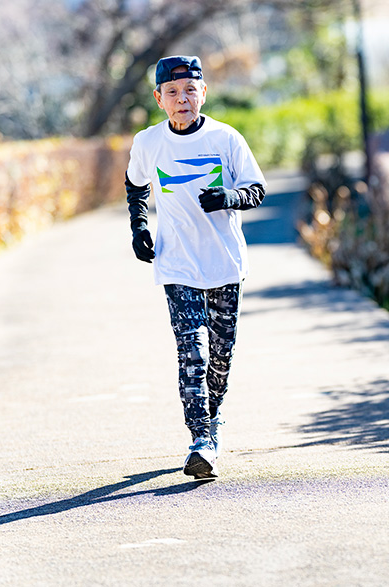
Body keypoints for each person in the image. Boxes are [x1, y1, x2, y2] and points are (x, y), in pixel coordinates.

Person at [125, 55, 266, 479]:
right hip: (177, 264)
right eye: (173, 92)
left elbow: (256, 189)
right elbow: (134, 184)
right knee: (192, 352)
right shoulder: (149, 143)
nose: (182, 99)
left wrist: (228, 198)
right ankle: (201, 441)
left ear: (203, 93)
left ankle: (214, 419)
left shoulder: (227, 138)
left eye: (190, 90)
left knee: (221, 355)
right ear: (159, 99)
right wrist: (139, 228)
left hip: (224, 262)